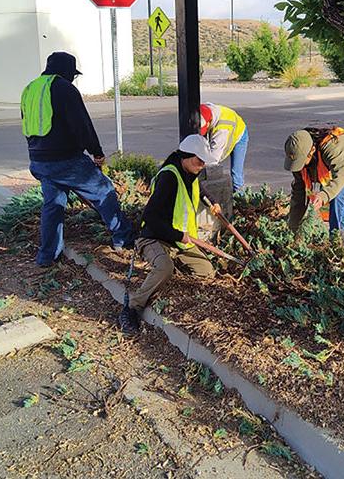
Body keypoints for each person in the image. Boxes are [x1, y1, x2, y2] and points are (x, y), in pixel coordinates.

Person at [21, 51, 134, 266]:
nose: (73, 78)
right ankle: (124, 239)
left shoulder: (30, 89)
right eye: (73, 74)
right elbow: (82, 125)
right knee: (104, 192)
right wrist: (97, 152)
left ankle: (47, 256)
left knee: (53, 205)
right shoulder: (65, 89)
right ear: (66, 71)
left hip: (39, 161)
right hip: (66, 161)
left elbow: (27, 125)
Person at [119, 134, 220, 333]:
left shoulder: (190, 173)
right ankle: (132, 307)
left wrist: (213, 202)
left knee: (207, 271)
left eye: (204, 162)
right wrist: (177, 235)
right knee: (165, 268)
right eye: (199, 161)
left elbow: (200, 190)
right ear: (186, 156)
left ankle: (172, 261)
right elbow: (151, 218)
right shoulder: (169, 177)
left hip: (179, 241)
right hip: (154, 236)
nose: (202, 165)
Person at [284, 127, 344, 233]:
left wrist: (323, 196)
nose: (299, 166)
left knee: (340, 195)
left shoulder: (331, 147)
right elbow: (299, 196)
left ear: (312, 150)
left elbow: (342, 175)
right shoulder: (297, 163)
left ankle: (338, 242)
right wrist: (293, 230)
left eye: (301, 161)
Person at [199, 103, 248, 192]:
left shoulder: (222, 130)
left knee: (236, 174)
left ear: (210, 121)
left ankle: (241, 199)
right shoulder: (204, 110)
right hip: (229, 123)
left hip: (240, 134)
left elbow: (215, 159)